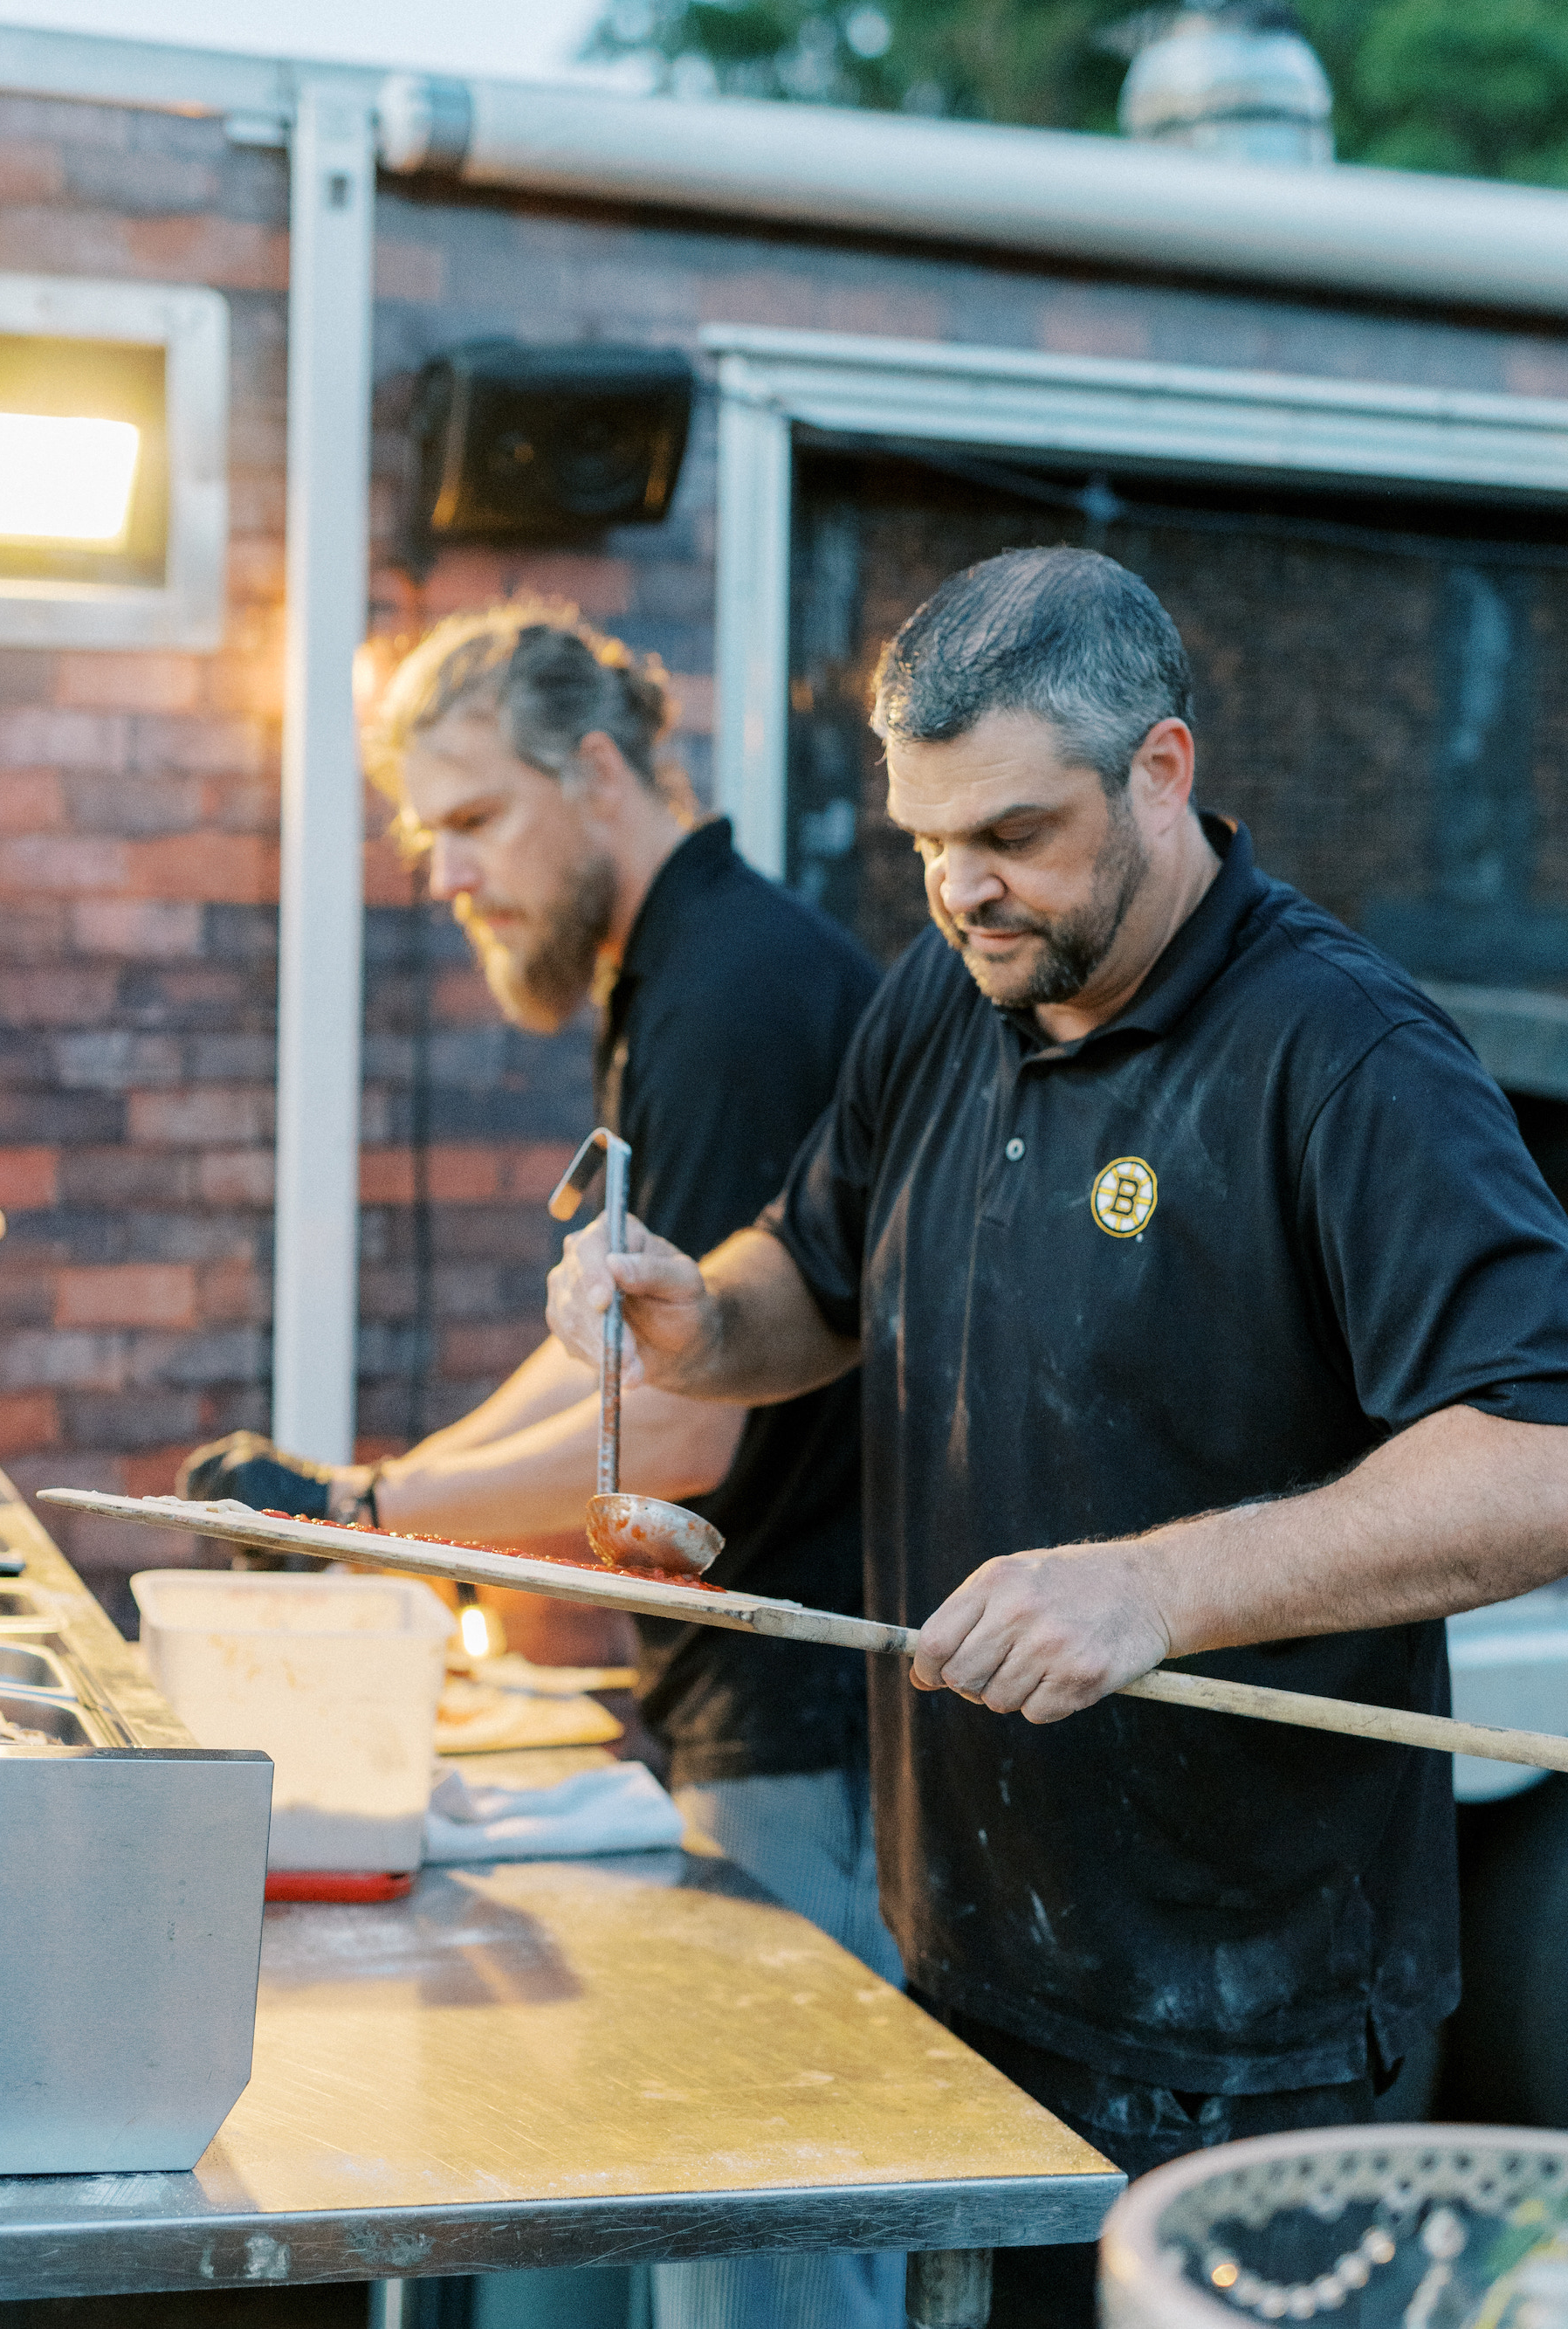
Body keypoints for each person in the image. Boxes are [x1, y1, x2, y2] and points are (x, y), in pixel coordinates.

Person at [544, 547, 1568, 2329]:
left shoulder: (1346, 1056)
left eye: (1011, 831)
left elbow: (1533, 1452)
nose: (960, 888)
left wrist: (1153, 1584)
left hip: (1248, 2026)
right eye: (927, 837)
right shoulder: (943, 991)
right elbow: (817, 1269)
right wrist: (700, 1320)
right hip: (966, 1950)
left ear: (1160, 770)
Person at [182, 606, 904, 2329]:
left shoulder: (732, 992)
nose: (442, 871)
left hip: (816, 1722)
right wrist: (370, 1486)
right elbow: (597, 1359)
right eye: (426, 831)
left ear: (595, 772)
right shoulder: (670, 974)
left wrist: (361, 1515)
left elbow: (669, 1423)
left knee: (771, 2278)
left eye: (473, 817)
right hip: (745, 1710)